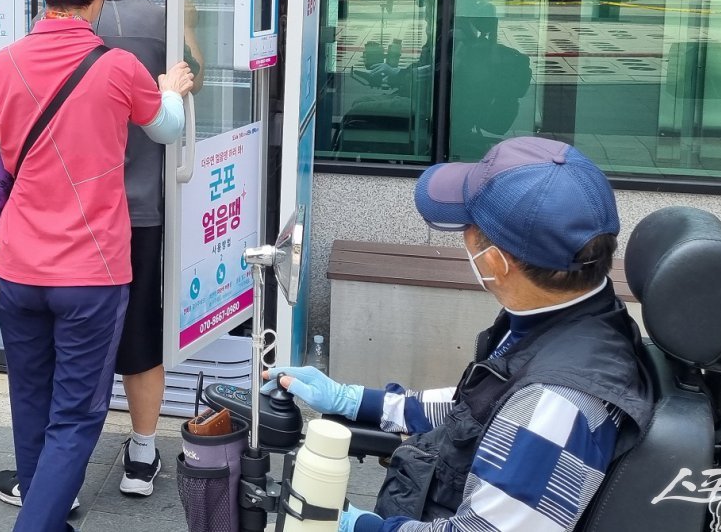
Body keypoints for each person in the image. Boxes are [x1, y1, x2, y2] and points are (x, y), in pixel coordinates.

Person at [263, 136, 651, 532]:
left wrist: (354, 527)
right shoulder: (565, 315)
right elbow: (483, 409)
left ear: (497, 262)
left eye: (470, 223)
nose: (463, 234)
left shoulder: (556, 403)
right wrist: (358, 401)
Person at [0, 0, 194, 531]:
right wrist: (171, 87)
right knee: (76, 416)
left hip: (17, 267)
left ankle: (50, 513)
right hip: (91, 271)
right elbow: (166, 129)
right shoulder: (119, 67)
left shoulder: (5, 62)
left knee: (31, 401)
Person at [84, 0, 198, 497]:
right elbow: (195, 75)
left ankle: (63, 461)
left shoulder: (45, 32)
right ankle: (143, 455)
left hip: (69, 212)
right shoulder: (161, 17)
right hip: (140, 208)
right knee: (140, 331)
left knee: (73, 339)